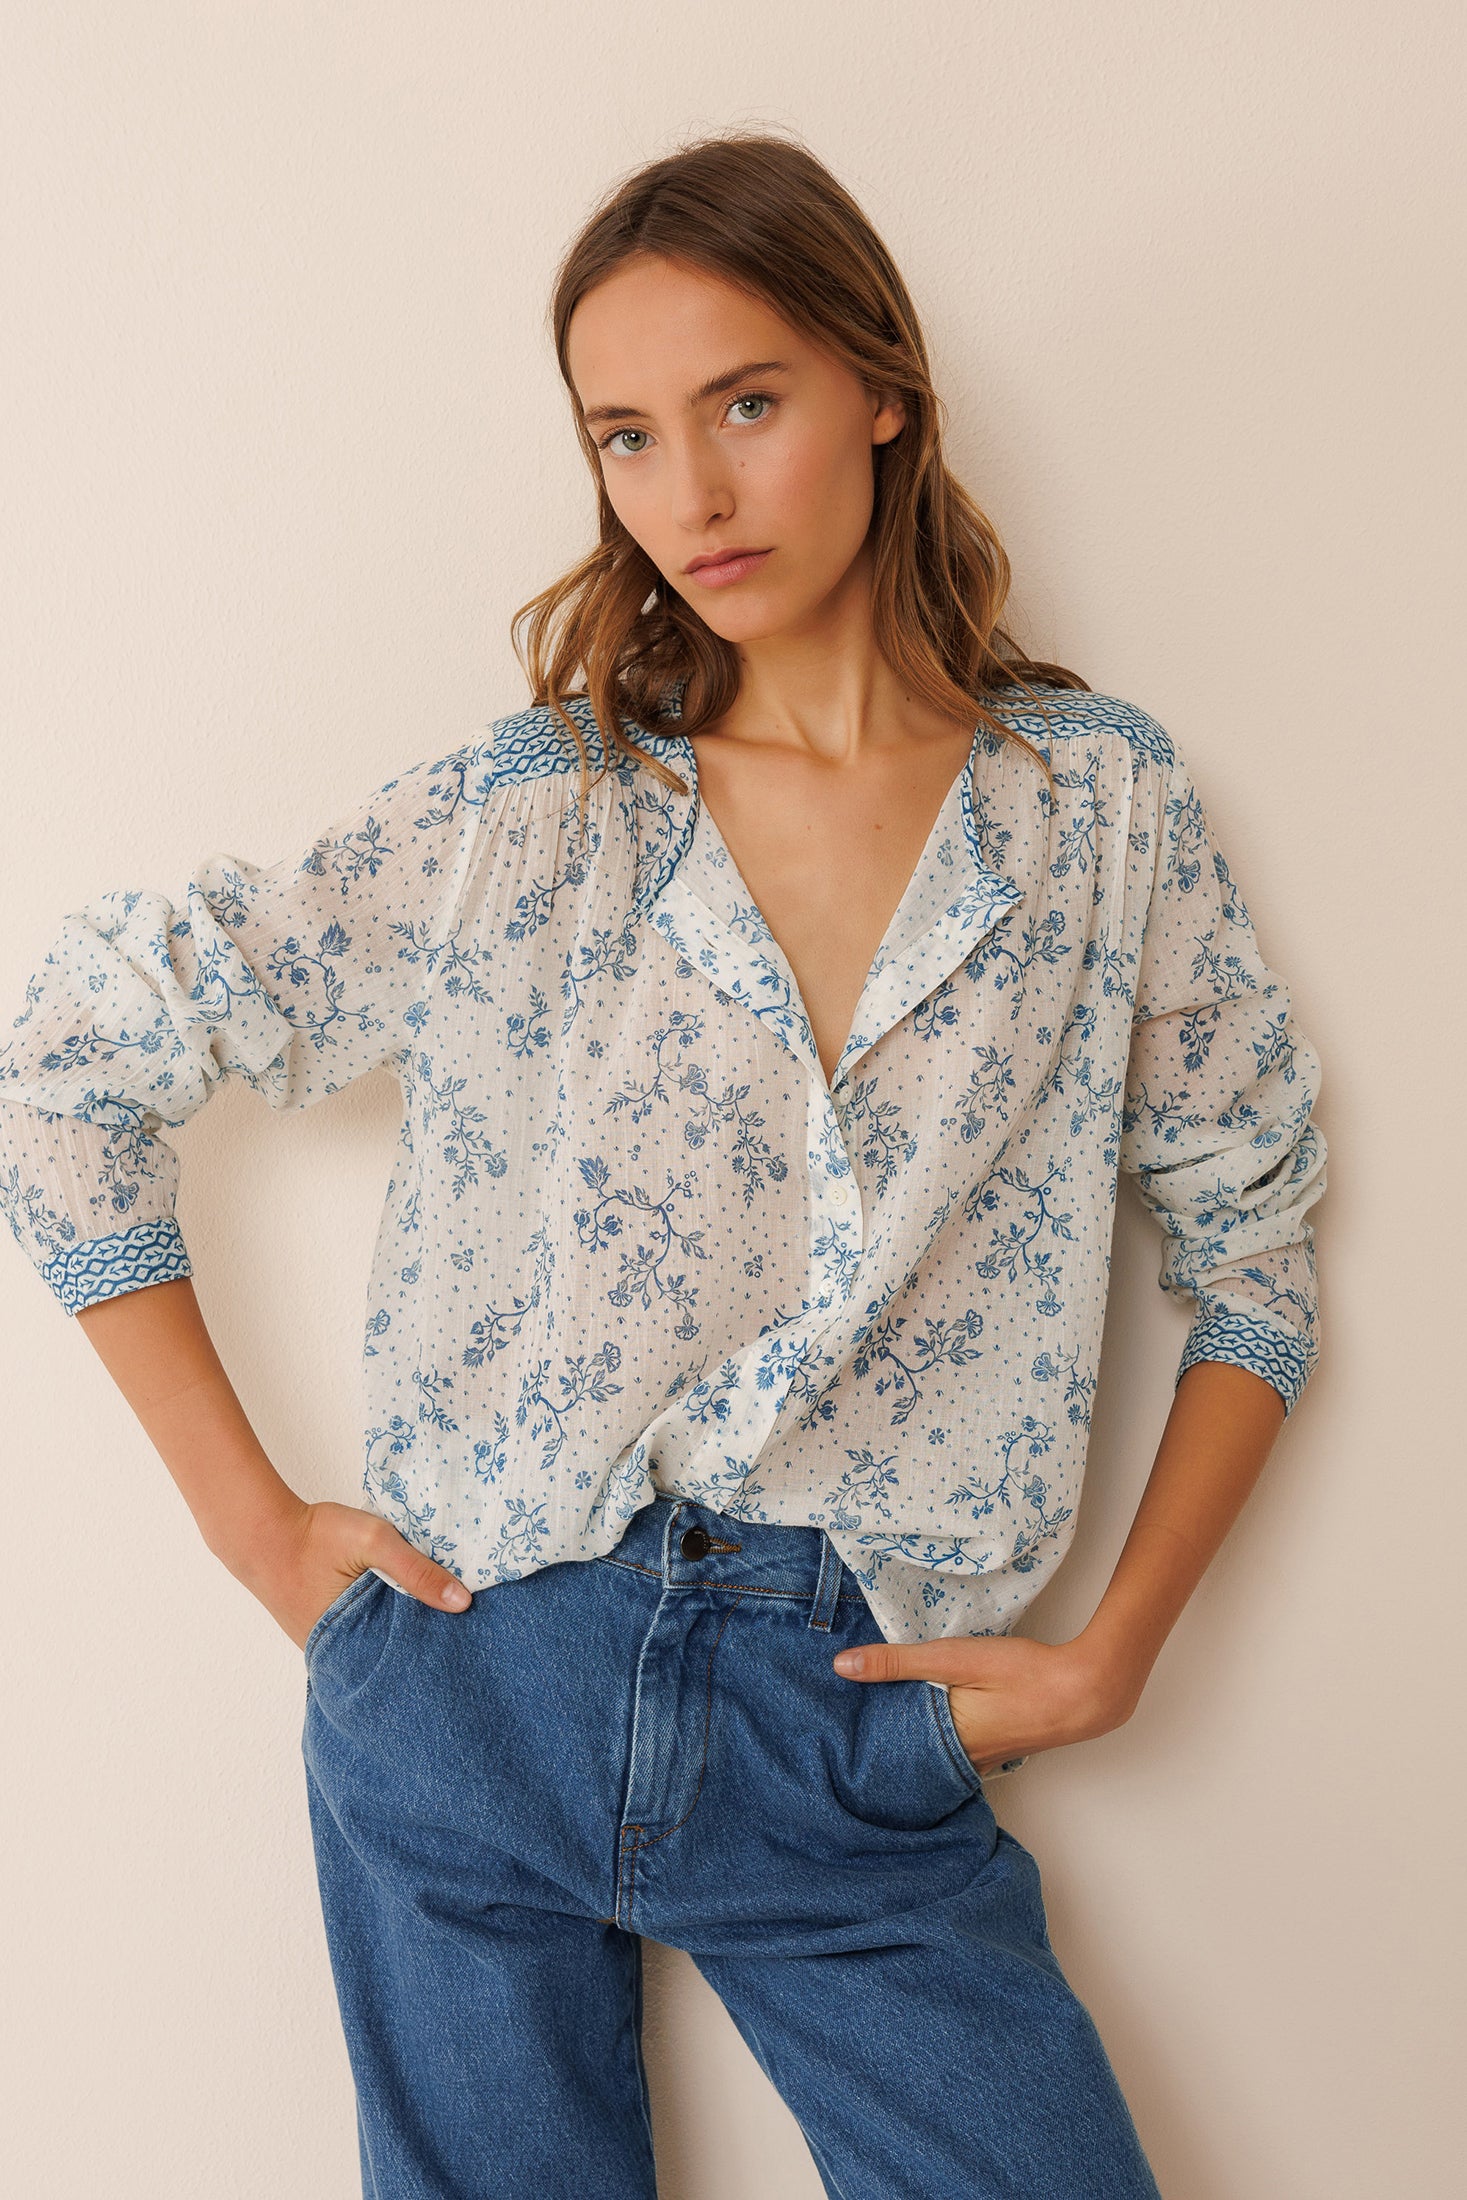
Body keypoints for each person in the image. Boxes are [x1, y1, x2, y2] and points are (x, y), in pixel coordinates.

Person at [0, 129, 1326, 2199]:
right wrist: (256, 1537)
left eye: (745, 403)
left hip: (847, 1719)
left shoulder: (1096, 816)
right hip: (470, 1684)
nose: (689, 493)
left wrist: (1111, 1651)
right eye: (624, 436)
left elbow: (1255, 1258)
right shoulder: (529, 816)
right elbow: (68, 1064)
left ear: (880, 389)